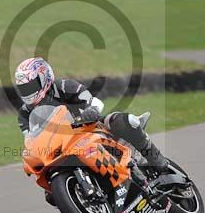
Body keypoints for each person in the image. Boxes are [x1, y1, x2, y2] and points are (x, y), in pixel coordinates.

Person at [14, 57, 169, 202]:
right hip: (61, 145)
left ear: (44, 78)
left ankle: (158, 161)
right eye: (23, 89)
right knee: (51, 197)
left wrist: (92, 110)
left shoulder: (63, 86)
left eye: (30, 86)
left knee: (123, 121)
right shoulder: (24, 114)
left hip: (90, 128)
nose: (28, 92)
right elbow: (30, 139)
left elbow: (93, 101)